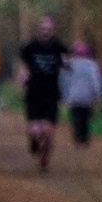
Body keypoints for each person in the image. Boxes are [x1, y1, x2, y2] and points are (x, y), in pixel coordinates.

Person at [17, 17, 68, 171]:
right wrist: (22, 77)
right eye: (43, 27)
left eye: (49, 28)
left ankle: (44, 159)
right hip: (34, 91)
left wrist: (67, 65)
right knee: (35, 129)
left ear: (52, 29)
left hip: (51, 92)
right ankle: (33, 141)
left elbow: (66, 62)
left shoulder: (58, 46)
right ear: (39, 28)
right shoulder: (30, 47)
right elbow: (23, 66)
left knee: (48, 131)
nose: (46, 30)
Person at [60, 41, 102, 146]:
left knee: (76, 117)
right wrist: (98, 93)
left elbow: (64, 80)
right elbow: (96, 80)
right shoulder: (91, 65)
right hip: (87, 96)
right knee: (85, 117)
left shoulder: (70, 64)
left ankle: (78, 137)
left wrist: (64, 94)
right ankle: (84, 137)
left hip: (74, 95)